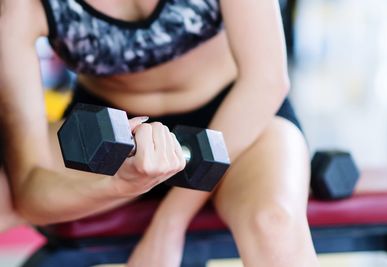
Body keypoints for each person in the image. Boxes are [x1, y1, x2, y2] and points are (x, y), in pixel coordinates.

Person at [0, 0, 319, 266]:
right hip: (116, 132)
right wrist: (121, 185)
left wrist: (169, 222)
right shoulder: (21, 7)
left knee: (273, 222)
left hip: (235, 121)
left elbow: (266, 81)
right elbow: (30, 187)